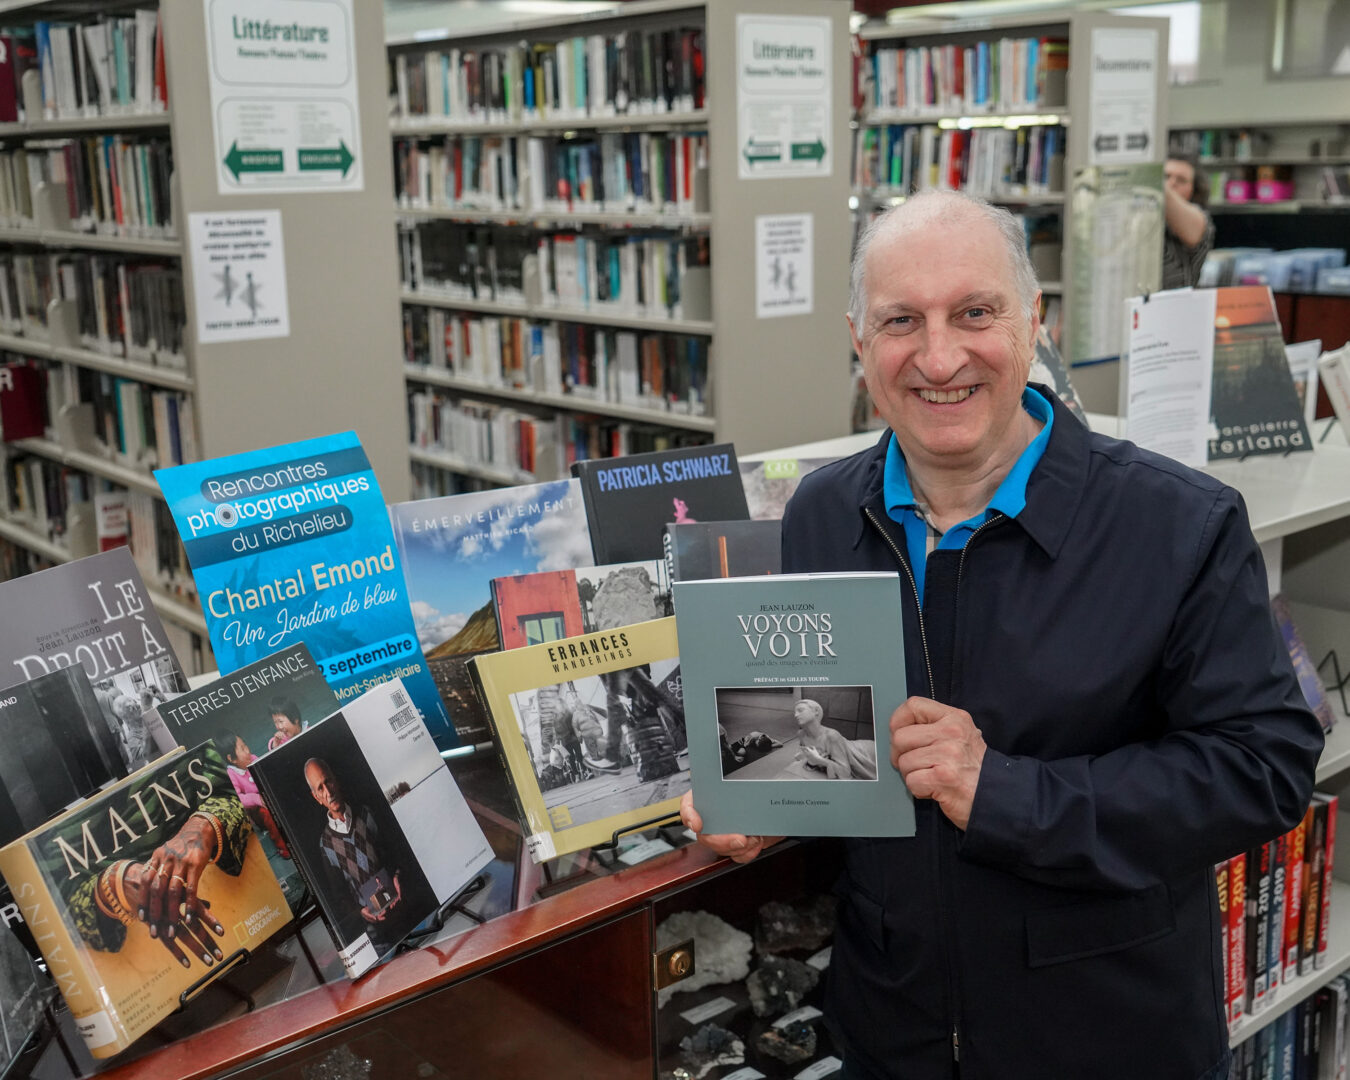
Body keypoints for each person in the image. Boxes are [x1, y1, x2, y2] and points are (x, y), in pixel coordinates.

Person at [681, 190, 1322, 1079]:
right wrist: (758, 807)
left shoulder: (1176, 525)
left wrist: (1007, 795)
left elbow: (1265, 767)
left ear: (1033, 322)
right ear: (860, 343)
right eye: (902, 320)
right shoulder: (825, 511)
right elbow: (841, 752)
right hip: (890, 1029)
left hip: (1104, 1037)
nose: (939, 357)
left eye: (974, 312)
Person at [303, 757, 405, 952]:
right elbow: (340, 895)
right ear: (316, 797)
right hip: (377, 935)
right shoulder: (325, 845)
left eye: (328, 782)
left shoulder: (366, 814)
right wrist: (360, 912)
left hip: (403, 909)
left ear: (336, 779)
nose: (328, 792)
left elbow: (395, 851)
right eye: (320, 789)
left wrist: (398, 875)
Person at [1162, 153, 1214, 289]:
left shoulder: (1200, 219)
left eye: (1181, 180)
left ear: (1194, 189)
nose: (1172, 183)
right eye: (1166, 176)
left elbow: (1194, 230)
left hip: (1176, 306)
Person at [792, 699, 878, 781]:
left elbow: (845, 774)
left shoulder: (832, 736)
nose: (796, 715)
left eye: (800, 710)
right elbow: (808, 757)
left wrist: (819, 760)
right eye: (795, 712)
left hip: (863, 754)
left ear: (816, 711)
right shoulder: (801, 734)